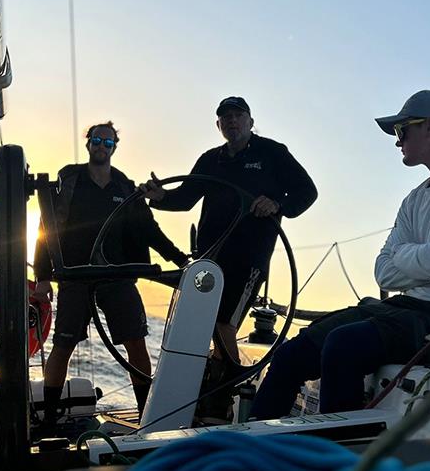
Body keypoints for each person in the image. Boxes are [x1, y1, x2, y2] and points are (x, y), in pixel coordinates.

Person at [251, 90, 430, 419]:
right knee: (291, 353)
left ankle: (341, 463)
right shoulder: (413, 200)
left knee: (343, 346)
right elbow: (384, 273)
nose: (397, 140)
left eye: (402, 130)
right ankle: (245, 455)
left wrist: (408, 254)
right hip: (403, 308)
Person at [141, 97, 318, 403]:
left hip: (250, 258)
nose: (232, 121)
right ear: (218, 125)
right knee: (203, 320)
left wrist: (278, 204)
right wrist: (158, 197)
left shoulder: (273, 153)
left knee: (224, 322)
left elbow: (308, 192)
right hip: (210, 258)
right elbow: (184, 199)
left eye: (238, 115)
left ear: (250, 121)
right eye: (225, 117)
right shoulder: (211, 160)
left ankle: (225, 394)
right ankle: (207, 392)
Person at [33, 122, 188, 425]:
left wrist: (181, 260)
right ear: (88, 143)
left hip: (117, 277)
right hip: (76, 276)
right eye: (97, 140)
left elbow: (149, 230)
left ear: (115, 147)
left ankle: (147, 417)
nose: (102, 145)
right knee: (63, 345)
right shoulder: (70, 180)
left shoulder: (124, 187)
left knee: (136, 344)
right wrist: (42, 275)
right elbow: (45, 229)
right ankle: (49, 421)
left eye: (108, 141)